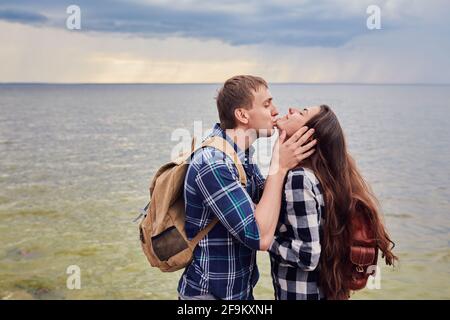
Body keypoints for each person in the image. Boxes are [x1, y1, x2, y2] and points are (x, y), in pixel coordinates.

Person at [177, 75, 317, 300]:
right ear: (242, 115)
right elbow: (259, 237)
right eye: (266, 104)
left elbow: (271, 206)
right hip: (210, 297)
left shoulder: (241, 156)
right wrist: (278, 166)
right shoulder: (213, 163)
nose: (275, 110)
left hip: (239, 293)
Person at [269, 105, 397, 300]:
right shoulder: (321, 178)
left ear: (309, 136)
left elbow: (307, 255)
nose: (291, 109)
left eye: (302, 113)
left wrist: (265, 239)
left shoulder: (299, 179)